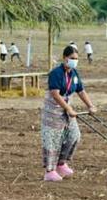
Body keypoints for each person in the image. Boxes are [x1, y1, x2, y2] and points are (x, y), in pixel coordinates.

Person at [41, 45, 96, 182]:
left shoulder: (74, 74)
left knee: (74, 135)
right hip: (53, 110)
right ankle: (50, 171)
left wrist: (90, 105)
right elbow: (55, 93)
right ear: (65, 58)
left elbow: (81, 91)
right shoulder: (56, 73)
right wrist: (68, 108)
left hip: (67, 109)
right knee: (53, 140)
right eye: (72, 58)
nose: (74, 61)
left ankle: (61, 163)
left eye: (76, 59)